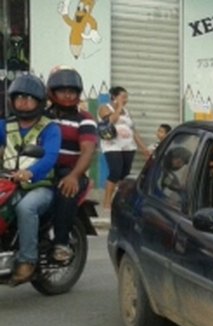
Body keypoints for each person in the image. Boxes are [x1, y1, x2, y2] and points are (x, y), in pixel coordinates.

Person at [3, 74, 61, 285]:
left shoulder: (50, 128)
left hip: (39, 186)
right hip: (9, 183)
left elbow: (51, 157)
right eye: (19, 97)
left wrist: (30, 172)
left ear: (39, 102)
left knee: (25, 208)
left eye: (29, 98)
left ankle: (28, 260)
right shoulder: (6, 125)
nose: (23, 102)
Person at [45, 66, 96, 264]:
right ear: (52, 92)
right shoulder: (43, 115)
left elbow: (88, 150)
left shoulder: (84, 119)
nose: (67, 95)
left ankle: (61, 244)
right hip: (41, 169)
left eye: (72, 91)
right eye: (62, 90)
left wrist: (74, 176)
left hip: (71, 171)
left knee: (66, 191)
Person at [98, 85, 148, 211]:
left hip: (128, 146)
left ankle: (120, 200)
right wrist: (119, 106)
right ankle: (107, 202)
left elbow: (134, 132)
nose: (126, 100)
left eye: (127, 97)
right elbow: (111, 121)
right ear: (114, 97)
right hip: (112, 145)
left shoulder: (127, 112)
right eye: (123, 97)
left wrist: (144, 149)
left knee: (124, 175)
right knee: (115, 172)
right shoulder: (104, 108)